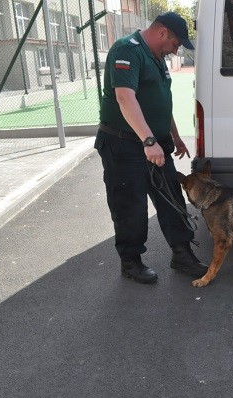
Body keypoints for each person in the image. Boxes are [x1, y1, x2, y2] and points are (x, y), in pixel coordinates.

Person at [94, 12, 207, 284]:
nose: (176, 49)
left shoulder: (157, 59)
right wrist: (147, 140)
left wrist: (175, 136)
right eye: (177, 43)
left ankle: (181, 254)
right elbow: (124, 97)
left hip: (155, 144)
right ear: (163, 33)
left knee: (171, 197)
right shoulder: (127, 50)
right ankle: (131, 262)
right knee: (129, 205)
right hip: (124, 145)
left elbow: (159, 101)